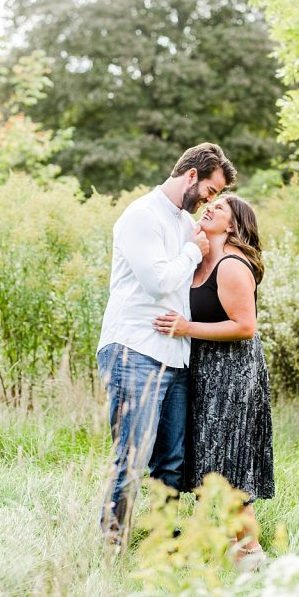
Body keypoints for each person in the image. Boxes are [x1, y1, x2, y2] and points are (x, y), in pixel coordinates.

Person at [96, 143, 237, 550]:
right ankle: (111, 546)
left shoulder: (182, 223)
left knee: (171, 461)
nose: (210, 200)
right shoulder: (142, 216)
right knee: (133, 456)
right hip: (134, 349)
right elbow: (159, 281)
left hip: (175, 356)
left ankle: (162, 545)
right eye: (210, 190)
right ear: (192, 176)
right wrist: (196, 250)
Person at [153, 194, 274, 568]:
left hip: (235, 375)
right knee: (209, 459)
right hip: (204, 369)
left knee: (229, 461)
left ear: (233, 225)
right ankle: (218, 544)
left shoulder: (231, 265)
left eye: (219, 208)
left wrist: (187, 328)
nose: (210, 208)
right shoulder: (200, 260)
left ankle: (251, 555)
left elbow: (245, 326)